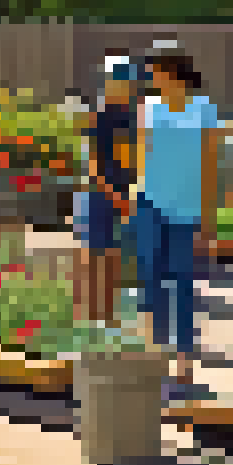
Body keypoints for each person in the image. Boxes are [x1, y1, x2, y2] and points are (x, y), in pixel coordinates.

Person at [129, 44, 222, 392]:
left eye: (155, 71)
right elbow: (140, 158)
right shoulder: (147, 108)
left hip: (187, 211)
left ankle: (184, 363)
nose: (151, 78)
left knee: (184, 286)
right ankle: (153, 358)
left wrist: (209, 218)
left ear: (173, 73)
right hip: (149, 206)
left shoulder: (204, 109)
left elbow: (211, 166)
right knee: (150, 283)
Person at [75, 52, 142, 327]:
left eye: (129, 83)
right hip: (97, 195)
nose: (126, 88)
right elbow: (93, 165)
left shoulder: (133, 118)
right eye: (120, 82)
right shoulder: (99, 118)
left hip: (123, 196)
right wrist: (113, 195)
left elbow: (136, 159)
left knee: (115, 257)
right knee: (94, 256)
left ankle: (109, 317)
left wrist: (131, 194)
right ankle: (92, 317)